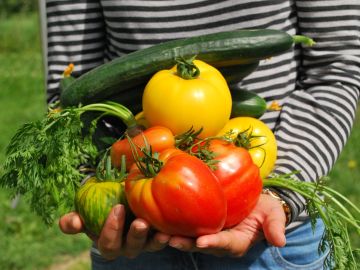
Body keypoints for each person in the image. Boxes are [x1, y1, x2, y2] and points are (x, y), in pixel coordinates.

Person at [44, 0, 360, 269]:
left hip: (273, 234)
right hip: (134, 224)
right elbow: (71, 95)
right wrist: (95, 189)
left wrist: (282, 195)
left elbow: (336, 69)